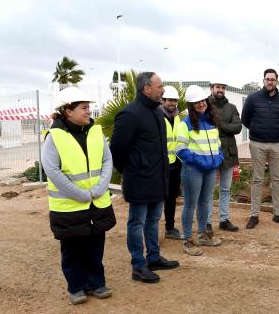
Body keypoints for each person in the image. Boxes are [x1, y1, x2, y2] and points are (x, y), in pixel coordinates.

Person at [42, 87, 115, 305]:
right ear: (67, 111)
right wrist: (81, 194)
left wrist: (100, 187)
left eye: (88, 107)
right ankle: (76, 287)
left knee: (95, 246)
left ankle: (96, 283)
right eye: (83, 107)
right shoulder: (54, 137)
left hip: (96, 201)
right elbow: (52, 171)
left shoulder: (95, 132)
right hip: (69, 207)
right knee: (72, 251)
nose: (88, 111)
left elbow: (107, 161)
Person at [110, 72, 179, 284]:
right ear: (146, 88)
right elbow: (117, 149)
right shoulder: (130, 114)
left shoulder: (157, 111)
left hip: (158, 179)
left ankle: (154, 257)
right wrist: (132, 169)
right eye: (159, 86)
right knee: (136, 222)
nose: (163, 90)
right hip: (139, 179)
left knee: (153, 219)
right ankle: (138, 266)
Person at [176, 85, 224, 256]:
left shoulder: (211, 121)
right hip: (193, 170)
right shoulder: (185, 124)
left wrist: (218, 159)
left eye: (203, 100)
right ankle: (188, 241)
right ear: (191, 105)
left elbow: (217, 145)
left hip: (210, 169)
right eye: (197, 102)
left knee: (205, 202)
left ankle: (203, 235)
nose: (202, 104)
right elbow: (180, 149)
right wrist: (200, 162)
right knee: (190, 204)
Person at [241, 68, 279, 229]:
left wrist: (274, 130)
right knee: (257, 179)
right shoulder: (253, 98)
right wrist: (257, 129)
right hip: (257, 144)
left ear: (277, 81)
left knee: (277, 179)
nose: (270, 82)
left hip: (277, 144)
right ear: (263, 80)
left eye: (273, 79)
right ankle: (254, 215)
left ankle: (278, 214)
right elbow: (245, 119)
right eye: (267, 79)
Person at [207, 81, 242, 233]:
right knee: (208, 190)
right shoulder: (204, 105)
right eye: (217, 87)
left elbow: (238, 127)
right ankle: (207, 222)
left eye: (222, 87)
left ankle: (224, 219)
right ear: (212, 88)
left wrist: (220, 125)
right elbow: (202, 126)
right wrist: (227, 127)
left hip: (228, 153)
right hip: (209, 153)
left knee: (226, 189)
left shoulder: (232, 108)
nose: (220, 90)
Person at [160, 85, 184, 240]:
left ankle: (170, 227)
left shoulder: (177, 117)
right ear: (162, 100)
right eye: (169, 100)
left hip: (176, 164)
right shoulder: (157, 117)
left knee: (171, 198)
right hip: (161, 165)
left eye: (174, 100)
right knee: (157, 198)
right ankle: (150, 232)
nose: (172, 103)